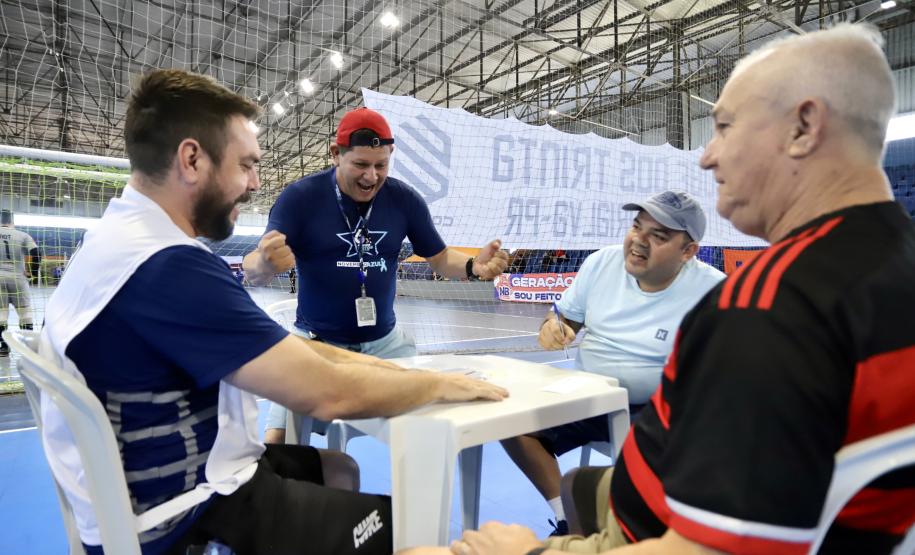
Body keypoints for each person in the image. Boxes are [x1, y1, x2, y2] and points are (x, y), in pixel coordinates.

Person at [409, 22, 915, 555]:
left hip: (647, 530)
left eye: (724, 126)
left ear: (804, 127)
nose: (707, 155)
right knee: (581, 488)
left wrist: (524, 553)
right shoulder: (886, 260)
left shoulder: (772, 309)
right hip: (656, 487)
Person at [38, 68, 509, 555]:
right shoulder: (170, 267)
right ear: (192, 159)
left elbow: (310, 359)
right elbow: (328, 393)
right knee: (404, 524)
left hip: (157, 480)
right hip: (188, 509)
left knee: (339, 469)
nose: (255, 183)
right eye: (245, 165)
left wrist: (390, 365)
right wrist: (441, 382)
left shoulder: (118, 240)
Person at [242, 106, 510, 444]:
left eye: (381, 165)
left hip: (386, 346)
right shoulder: (300, 198)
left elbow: (440, 258)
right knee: (280, 441)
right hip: (317, 346)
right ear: (336, 154)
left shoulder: (404, 200)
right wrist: (264, 263)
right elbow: (253, 267)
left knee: (436, 425)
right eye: (361, 165)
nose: (371, 177)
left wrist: (473, 267)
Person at [500, 191, 724, 535]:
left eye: (658, 236)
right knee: (512, 422)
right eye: (637, 226)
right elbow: (564, 316)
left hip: (658, 412)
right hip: (587, 396)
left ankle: (630, 525)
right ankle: (568, 519)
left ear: (688, 251)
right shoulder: (601, 263)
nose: (639, 241)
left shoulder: (714, 291)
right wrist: (553, 327)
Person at [0, 208, 39, 356]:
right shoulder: (22, 235)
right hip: (18, 278)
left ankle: (3, 347)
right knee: (25, 312)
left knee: (1, 313)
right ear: (12, 221)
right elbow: (36, 252)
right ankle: (28, 348)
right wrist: (33, 273)